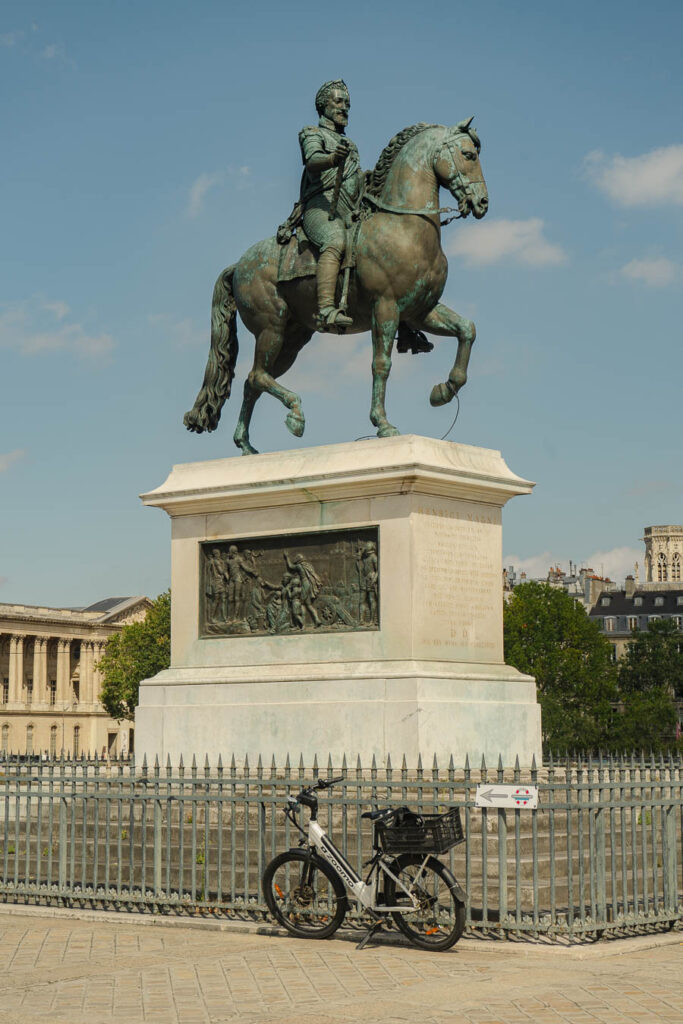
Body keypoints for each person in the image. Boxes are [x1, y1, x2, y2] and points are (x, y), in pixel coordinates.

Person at [298, 80, 363, 330]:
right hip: (321, 208)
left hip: (350, 211)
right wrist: (334, 158)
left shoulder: (351, 145)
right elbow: (313, 161)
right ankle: (326, 309)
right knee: (335, 241)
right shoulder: (312, 133)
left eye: (347, 104)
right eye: (338, 102)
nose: (344, 107)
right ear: (323, 106)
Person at [205, 548, 230, 622]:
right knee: (217, 600)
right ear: (215, 554)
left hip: (220, 582)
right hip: (217, 583)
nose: (220, 555)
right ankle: (212, 618)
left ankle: (224, 617)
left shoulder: (218, 561)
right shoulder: (216, 562)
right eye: (218, 553)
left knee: (223, 599)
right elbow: (221, 571)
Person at [357, 540, 378, 624]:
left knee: (371, 599)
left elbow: (377, 570)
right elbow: (360, 566)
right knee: (362, 600)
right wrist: (360, 555)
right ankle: (361, 620)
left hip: (371, 580)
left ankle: (372, 620)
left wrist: (374, 579)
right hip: (364, 580)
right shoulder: (365, 558)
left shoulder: (374, 557)